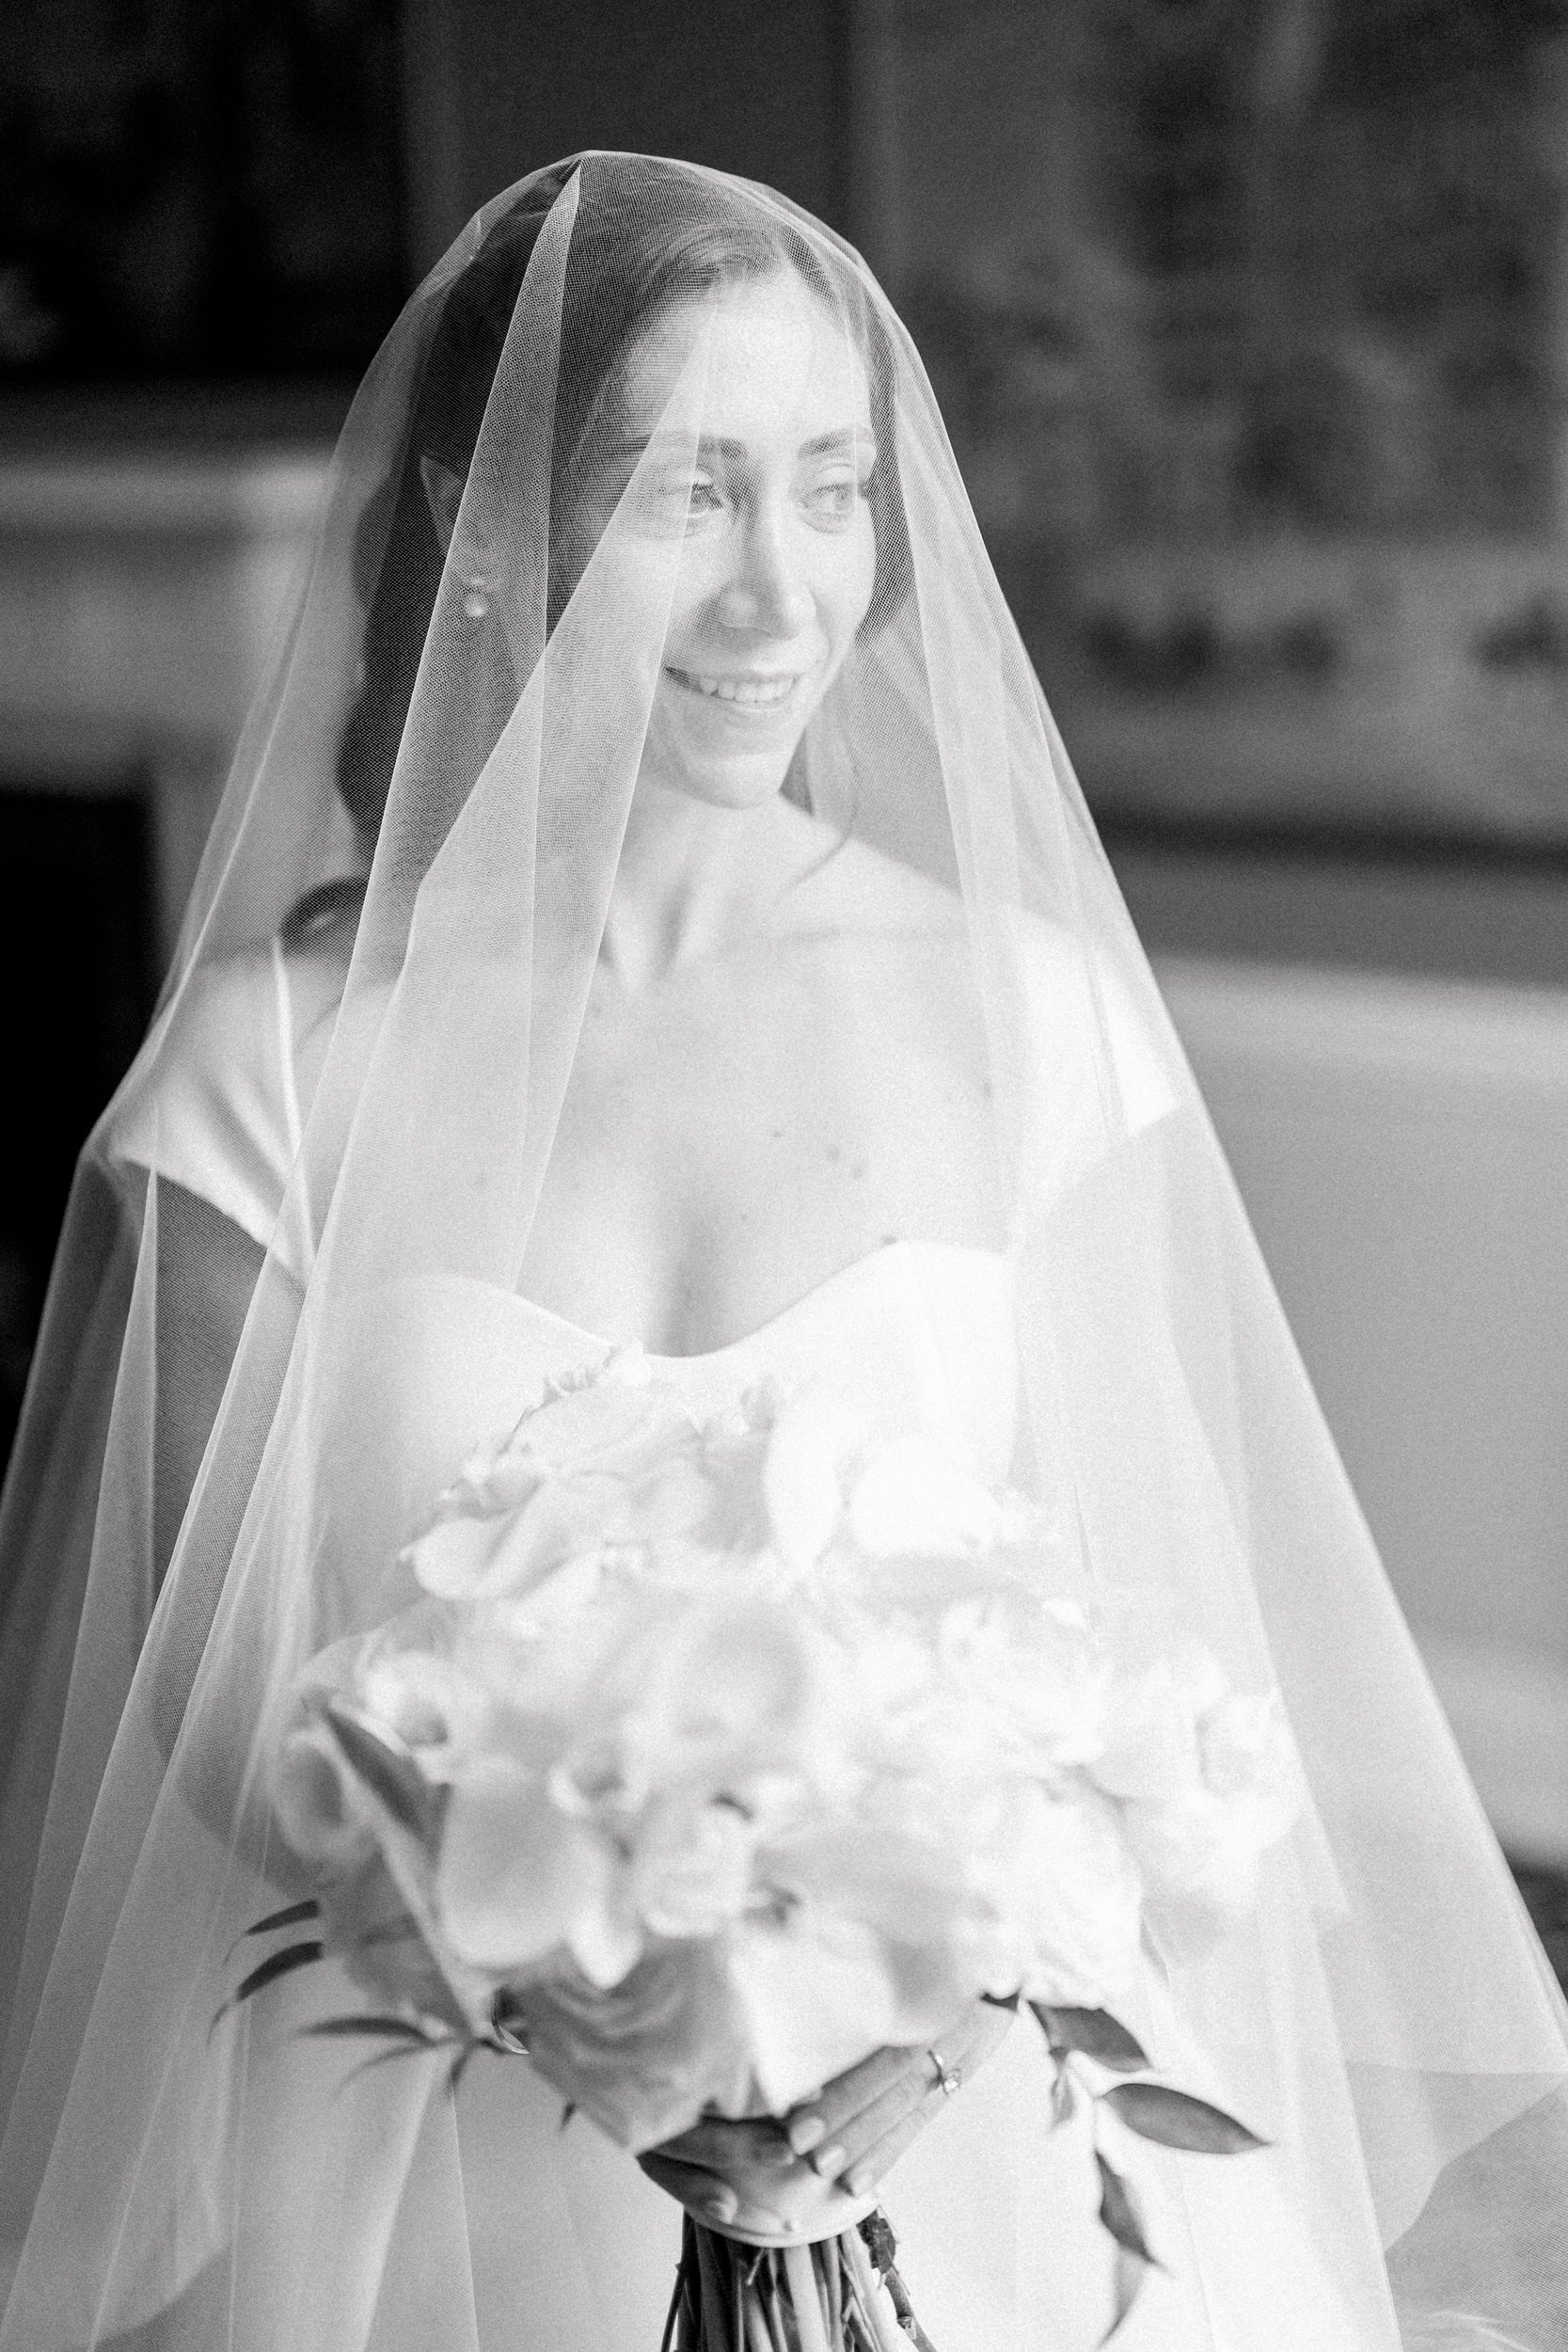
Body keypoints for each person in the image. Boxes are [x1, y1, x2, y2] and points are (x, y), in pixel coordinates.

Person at [0, 152, 1564, 2352]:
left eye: (830, 489)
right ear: (488, 507)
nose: (780, 598)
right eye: (688, 489)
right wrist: (598, 1995)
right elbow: (182, 1697)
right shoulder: (268, 1088)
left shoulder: (1035, 1024)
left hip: (975, 2137)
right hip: (428, 2180)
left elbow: (1163, 1668)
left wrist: (930, 1998)